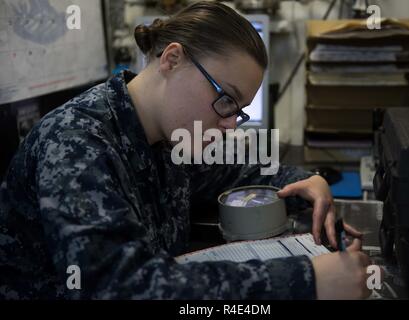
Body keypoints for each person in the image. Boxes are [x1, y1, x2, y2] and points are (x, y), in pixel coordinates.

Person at [0, 1, 373, 299]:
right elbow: (117, 287)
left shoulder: (168, 137)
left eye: (237, 109)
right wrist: (304, 280)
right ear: (172, 59)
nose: (230, 123)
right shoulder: (76, 143)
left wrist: (304, 181)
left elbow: (230, 173)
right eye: (225, 99)